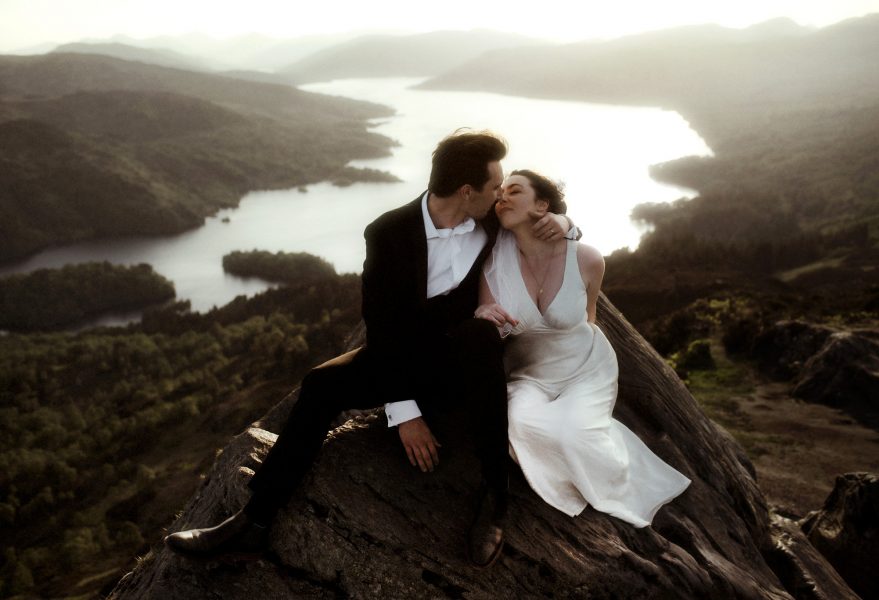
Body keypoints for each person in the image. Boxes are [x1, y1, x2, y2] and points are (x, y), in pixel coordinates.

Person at [164, 132, 579, 567]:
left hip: (458, 360)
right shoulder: (388, 233)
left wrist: (569, 225)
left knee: (479, 335)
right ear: (466, 191)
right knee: (320, 383)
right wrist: (405, 412)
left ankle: (496, 497)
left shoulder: (491, 220)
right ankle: (254, 521)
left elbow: (551, 216)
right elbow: (382, 330)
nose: (500, 195)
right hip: (398, 353)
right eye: (494, 186)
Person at [475, 170, 690, 525]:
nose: (503, 198)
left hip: (585, 368)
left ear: (542, 205)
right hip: (528, 373)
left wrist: (568, 225)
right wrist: (483, 313)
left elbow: (588, 316)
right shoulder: (493, 262)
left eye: (515, 191)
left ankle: (607, 474)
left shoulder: (587, 258)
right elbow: (492, 331)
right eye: (500, 194)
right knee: (520, 424)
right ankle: (565, 482)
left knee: (574, 434)